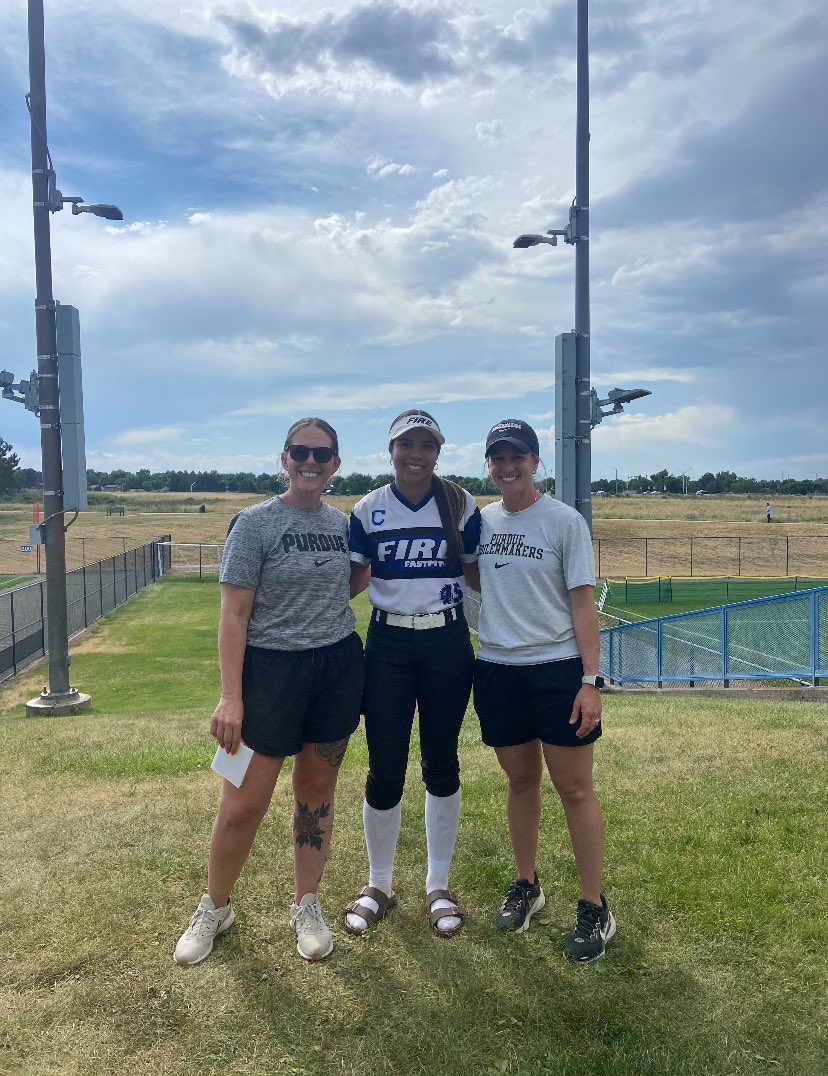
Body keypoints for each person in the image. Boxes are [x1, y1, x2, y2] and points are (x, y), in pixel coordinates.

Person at [174, 418, 364, 965]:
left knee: (316, 792)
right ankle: (215, 906)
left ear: (336, 464)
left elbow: (350, 582)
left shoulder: (343, 525)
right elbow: (233, 613)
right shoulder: (254, 524)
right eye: (300, 452)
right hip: (267, 675)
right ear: (284, 459)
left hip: (333, 670)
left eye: (322, 454)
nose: (311, 462)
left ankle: (307, 904)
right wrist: (230, 696)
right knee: (241, 803)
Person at [469, 419, 616, 963]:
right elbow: (482, 581)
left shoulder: (563, 521)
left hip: (557, 669)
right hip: (499, 668)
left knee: (574, 789)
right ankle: (527, 884)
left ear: (536, 462)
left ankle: (594, 906)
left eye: (519, 457)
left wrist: (589, 680)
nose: (508, 467)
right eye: (498, 458)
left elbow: (582, 603)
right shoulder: (479, 523)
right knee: (521, 781)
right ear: (488, 464)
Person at [344, 409, 481, 938]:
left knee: (442, 759)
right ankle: (379, 882)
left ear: (439, 452)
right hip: (388, 642)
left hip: (446, 639)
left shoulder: (459, 502)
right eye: (407, 444)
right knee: (385, 763)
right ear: (391, 450)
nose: (416, 454)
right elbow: (355, 578)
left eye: (427, 445)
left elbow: (477, 570)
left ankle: (437, 884)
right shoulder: (368, 509)